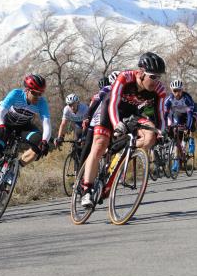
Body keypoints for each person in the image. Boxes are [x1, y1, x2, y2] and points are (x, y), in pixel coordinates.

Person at [80, 53, 166, 207]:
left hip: (132, 114)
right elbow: (112, 103)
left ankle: (123, 155)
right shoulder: (125, 78)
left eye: (159, 77)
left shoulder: (159, 90)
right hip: (110, 110)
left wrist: (161, 132)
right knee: (99, 144)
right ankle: (86, 190)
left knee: (150, 134)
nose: (156, 81)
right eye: (153, 76)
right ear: (140, 73)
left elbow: (160, 115)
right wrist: (116, 123)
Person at [0, 74, 52, 209]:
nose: (37, 97)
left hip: (24, 127)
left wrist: (45, 141)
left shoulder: (41, 102)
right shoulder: (15, 94)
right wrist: (0, 126)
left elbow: (46, 123)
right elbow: (0, 113)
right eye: (34, 93)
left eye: (40, 94)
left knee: (40, 143)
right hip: (6, 125)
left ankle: (16, 167)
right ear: (27, 90)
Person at [164, 79, 195, 169]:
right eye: (175, 91)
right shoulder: (169, 99)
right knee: (178, 136)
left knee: (192, 123)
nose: (177, 93)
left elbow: (189, 115)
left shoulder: (187, 98)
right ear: (171, 90)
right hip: (179, 114)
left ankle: (191, 140)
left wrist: (188, 128)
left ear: (182, 90)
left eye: (179, 90)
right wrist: (166, 126)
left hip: (189, 113)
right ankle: (177, 162)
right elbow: (165, 115)